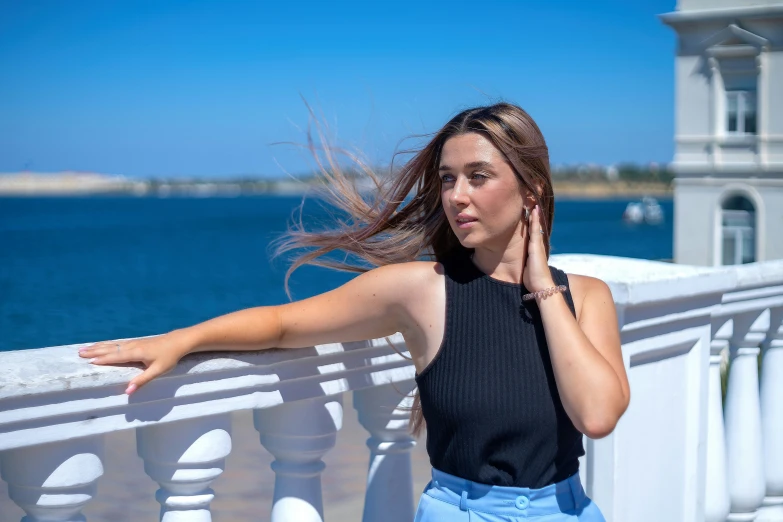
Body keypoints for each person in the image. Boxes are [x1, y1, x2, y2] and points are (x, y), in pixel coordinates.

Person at [79, 102, 629, 521]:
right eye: (446, 178)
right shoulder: (423, 291)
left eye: (478, 176)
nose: (457, 196)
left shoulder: (587, 296)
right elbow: (283, 324)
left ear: (530, 189)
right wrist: (181, 339)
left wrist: (541, 286)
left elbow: (597, 415)